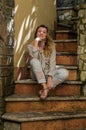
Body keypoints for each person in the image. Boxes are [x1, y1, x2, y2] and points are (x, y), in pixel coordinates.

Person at [27, 24, 69, 100]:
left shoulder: (51, 46)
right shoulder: (30, 46)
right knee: (33, 61)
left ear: (46, 35)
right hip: (36, 74)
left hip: (47, 73)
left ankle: (45, 90)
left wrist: (49, 79)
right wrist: (36, 42)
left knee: (64, 73)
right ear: (36, 33)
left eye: (44, 32)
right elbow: (35, 58)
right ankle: (44, 85)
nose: (41, 33)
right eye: (39, 31)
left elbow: (52, 63)